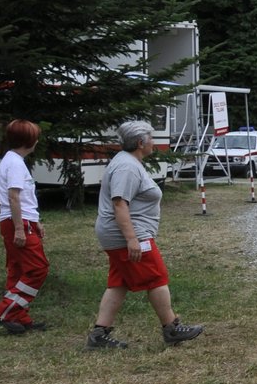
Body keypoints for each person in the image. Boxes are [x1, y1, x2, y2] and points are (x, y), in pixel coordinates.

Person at [86, 120, 205, 349]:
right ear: (141, 142)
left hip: (120, 234)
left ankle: (99, 335)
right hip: (128, 235)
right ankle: (171, 328)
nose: (154, 143)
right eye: (151, 139)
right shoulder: (126, 167)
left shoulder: (130, 162)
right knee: (156, 277)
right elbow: (120, 204)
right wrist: (132, 239)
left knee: (118, 283)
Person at [0, 119, 50, 334]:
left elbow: (24, 200)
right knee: (37, 268)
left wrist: (36, 222)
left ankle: (18, 316)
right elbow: (14, 198)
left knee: (17, 269)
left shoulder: (11, 160)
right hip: (18, 222)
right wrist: (20, 228)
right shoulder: (15, 163)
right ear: (30, 141)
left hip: (20, 221)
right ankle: (6, 310)